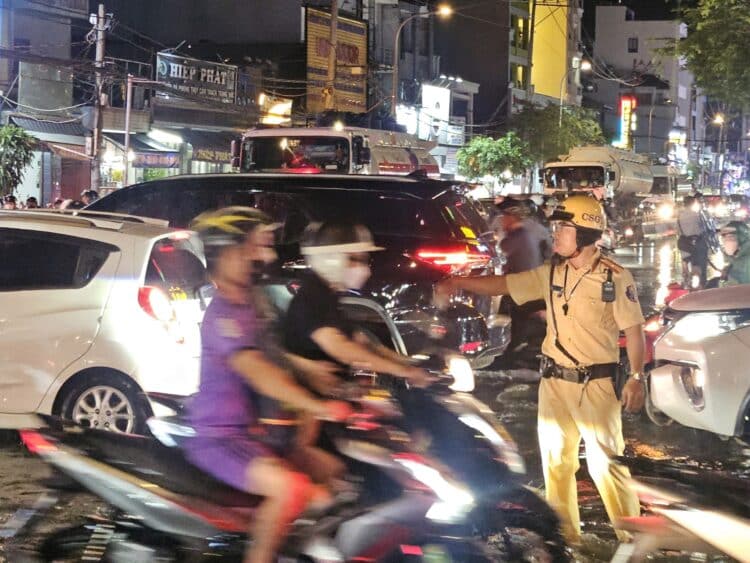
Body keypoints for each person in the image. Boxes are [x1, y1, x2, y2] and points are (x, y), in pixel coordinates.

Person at [435, 194, 646, 545]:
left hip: (595, 383)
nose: (556, 234)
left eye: (564, 228)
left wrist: (636, 377)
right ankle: (565, 539)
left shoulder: (614, 277)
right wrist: (458, 282)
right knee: (556, 464)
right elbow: (504, 284)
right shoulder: (551, 273)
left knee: (607, 466)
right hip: (554, 382)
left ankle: (633, 541)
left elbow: (634, 331)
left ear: (584, 233)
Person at [186, 207, 350, 563]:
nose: (264, 257)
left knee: (336, 476)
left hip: (262, 434)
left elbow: (271, 353)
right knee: (290, 489)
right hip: (222, 438)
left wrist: (309, 369)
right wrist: (316, 405)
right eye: (252, 248)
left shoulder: (252, 303)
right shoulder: (223, 315)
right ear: (225, 254)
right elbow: (258, 371)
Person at [283, 220, 431, 389]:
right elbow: (342, 348)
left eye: (364, 260)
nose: (362, 268)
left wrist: (409, 363)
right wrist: (404, 371)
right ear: (330, 260)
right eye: (354, 259)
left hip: (333, 393)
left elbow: (362, 341)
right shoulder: (312, 297)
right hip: (308, 397)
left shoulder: (329, 295)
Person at [677, 195, 709, 288]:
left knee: (685, 261)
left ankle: (686, 279)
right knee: (699, 264)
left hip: (684, 244)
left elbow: (678, 231)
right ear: (693, 204)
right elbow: (703, 230)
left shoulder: (679, 216)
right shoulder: (697, 216)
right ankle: (701, 284)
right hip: (697, 243)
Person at [719, 221, 750, 286]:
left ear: (742, 239)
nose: (727, 242)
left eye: (731, 237)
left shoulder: (747, 262)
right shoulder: (734, 260)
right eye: (725, 238)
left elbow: (742, 288)